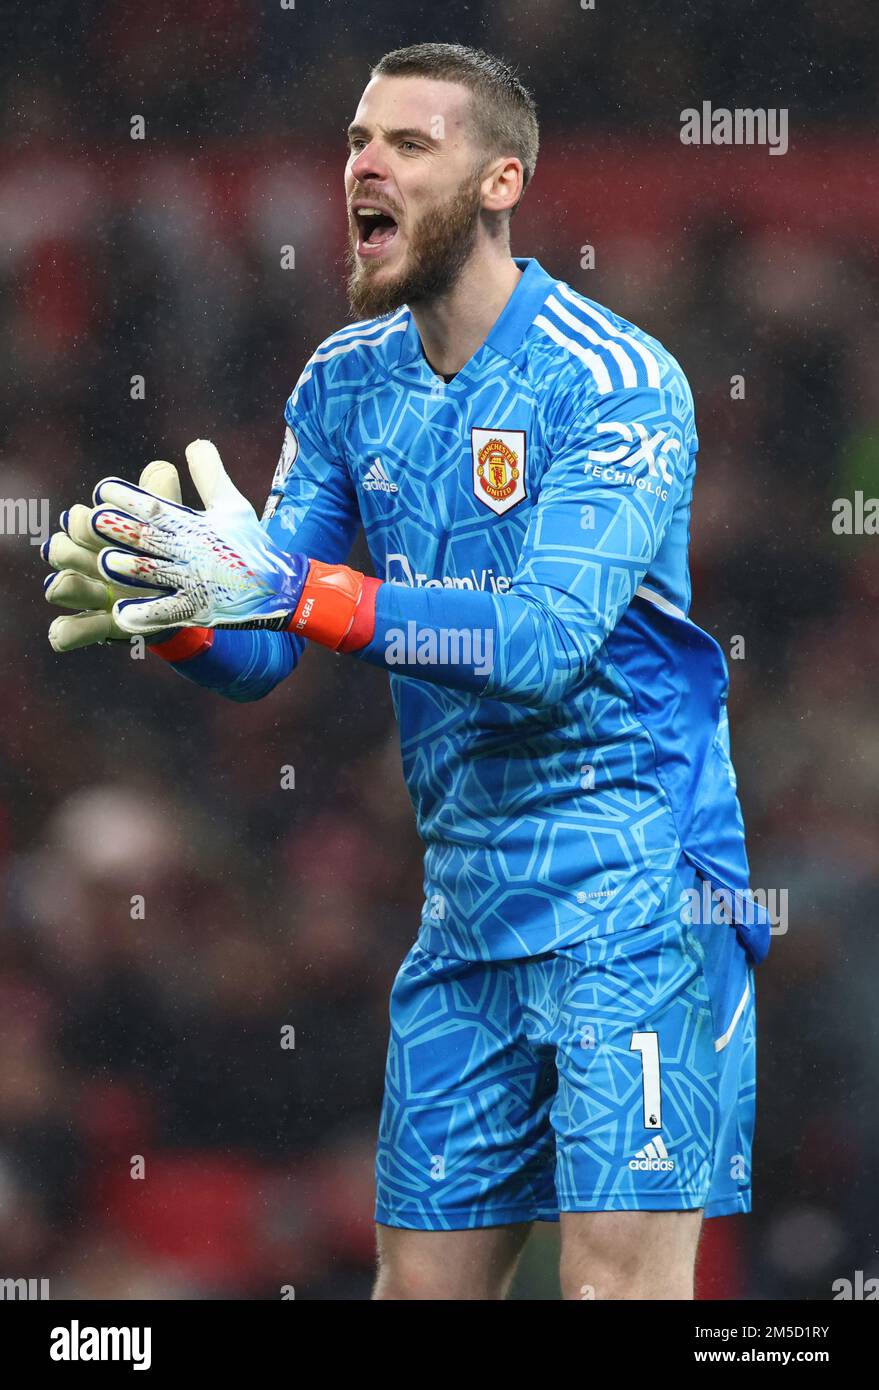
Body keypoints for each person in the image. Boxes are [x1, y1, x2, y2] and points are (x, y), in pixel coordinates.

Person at [43, 42, 771, 1300]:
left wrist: (293, 591)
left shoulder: (617, 380)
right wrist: (183, 615)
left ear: (502, 181)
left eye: (407, 145)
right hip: (464, 914)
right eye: (355, 142)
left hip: (637, 902)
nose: (363, 167)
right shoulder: (343, 383)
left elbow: (543, 644)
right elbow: (270, 650)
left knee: (611, 1298)